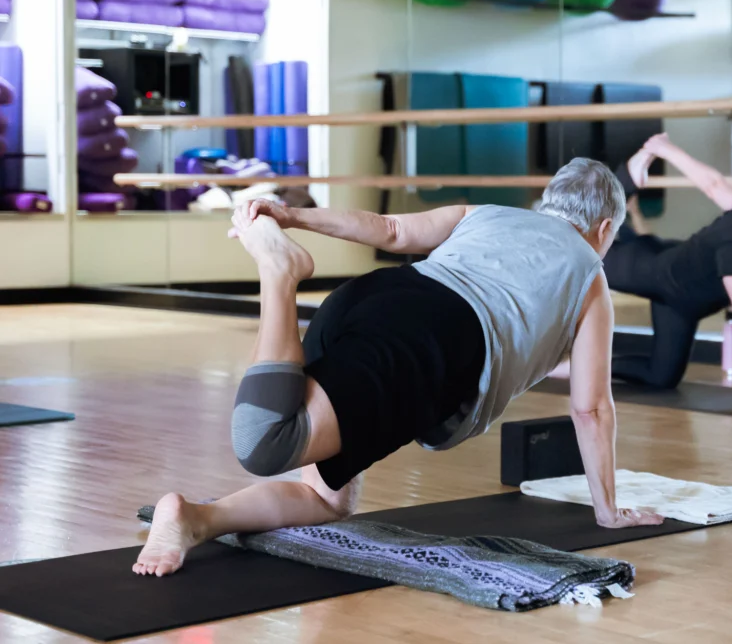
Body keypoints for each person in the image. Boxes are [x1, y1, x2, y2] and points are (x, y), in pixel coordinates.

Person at [133, 159, 663, 578]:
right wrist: (607, 510)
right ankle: (279, 273)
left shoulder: (487, 214)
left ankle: (194, 519)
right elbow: (592, 407)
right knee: (267, 440)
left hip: (374, 298)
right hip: (429, 341)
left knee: (325, 496)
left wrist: (295, 215)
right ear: (605, 227)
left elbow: (387, 229)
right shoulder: (591, 275)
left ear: (548, 202)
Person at [585, 133, 732, 416]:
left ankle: (582, 367)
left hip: (680, 304)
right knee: (583, 250)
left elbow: (713, 184)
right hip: (650, 270)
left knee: (663, 378)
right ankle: (628, 176)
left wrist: (668, 149)